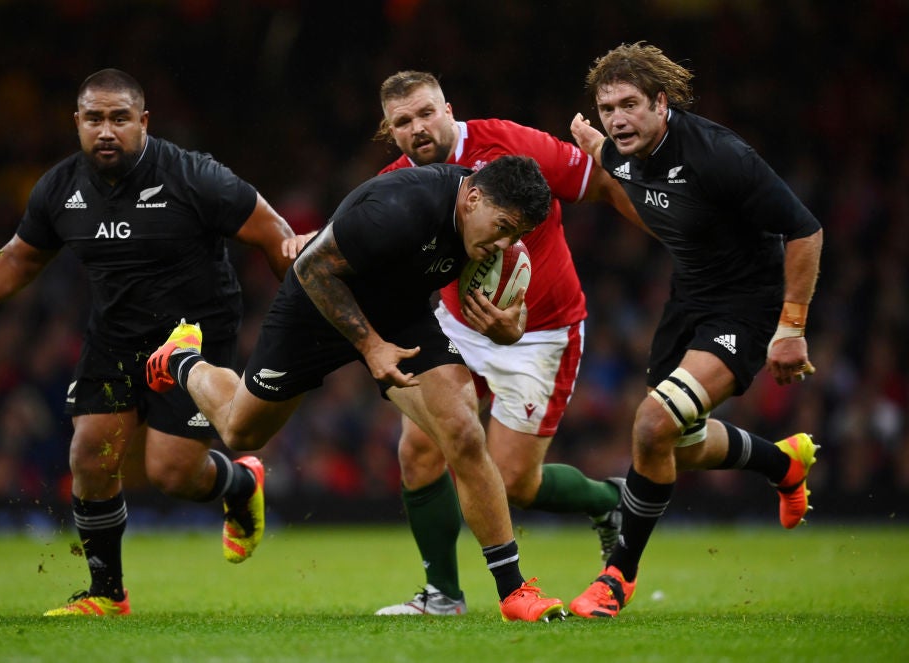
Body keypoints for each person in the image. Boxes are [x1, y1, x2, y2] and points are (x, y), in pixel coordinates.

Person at [0, 69, 297, 616]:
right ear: (77, 124)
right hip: (116, 333)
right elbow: (19, 259)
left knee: (172, 473)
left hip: (193, 335)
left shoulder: (193, 176)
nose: (106, 130)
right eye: (94, 119)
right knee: (90, 451)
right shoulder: (59, 188)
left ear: (143, 121)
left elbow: (273, 231)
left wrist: (306, 304)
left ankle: (238, 484)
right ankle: (106, 593)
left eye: (119, 118)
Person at [147, 155, 568, 622]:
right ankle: (183, 358)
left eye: (517, 235)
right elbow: (311, 268)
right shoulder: (399, 207)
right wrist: (370, 347)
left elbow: (512, 301)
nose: (505, 243)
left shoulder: (492, 237)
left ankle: (514, 591)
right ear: (472, 199)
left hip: (400, 313)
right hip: (317, 306)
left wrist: (513, 327)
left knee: (463, 432)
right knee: (241, 432)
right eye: (504, 227)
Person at [367, 71, 643, 617]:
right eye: (403, 122)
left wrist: (671, 234)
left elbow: (600, 183)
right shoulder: (395, 182)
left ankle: (609, 502)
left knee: (513, 481)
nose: (418, 128)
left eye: (426, 113)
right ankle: (442, 595)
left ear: (449, 109)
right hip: (456, 326)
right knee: (419, 449)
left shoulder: (511, 143)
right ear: (390, 130)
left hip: (543, 331)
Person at [566, 42, 824, 618]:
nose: (616, 118)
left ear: (662, 103)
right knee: (673, 443)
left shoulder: (719, 154)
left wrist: (791, 326)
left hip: (747, 307)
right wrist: (601, 155)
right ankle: (783, 465)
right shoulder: (620, 152)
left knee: (652, 422)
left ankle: (616, 579)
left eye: (629, 104)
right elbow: (657, 213)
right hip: (688, 302)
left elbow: (805, 231)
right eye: (607, 108)